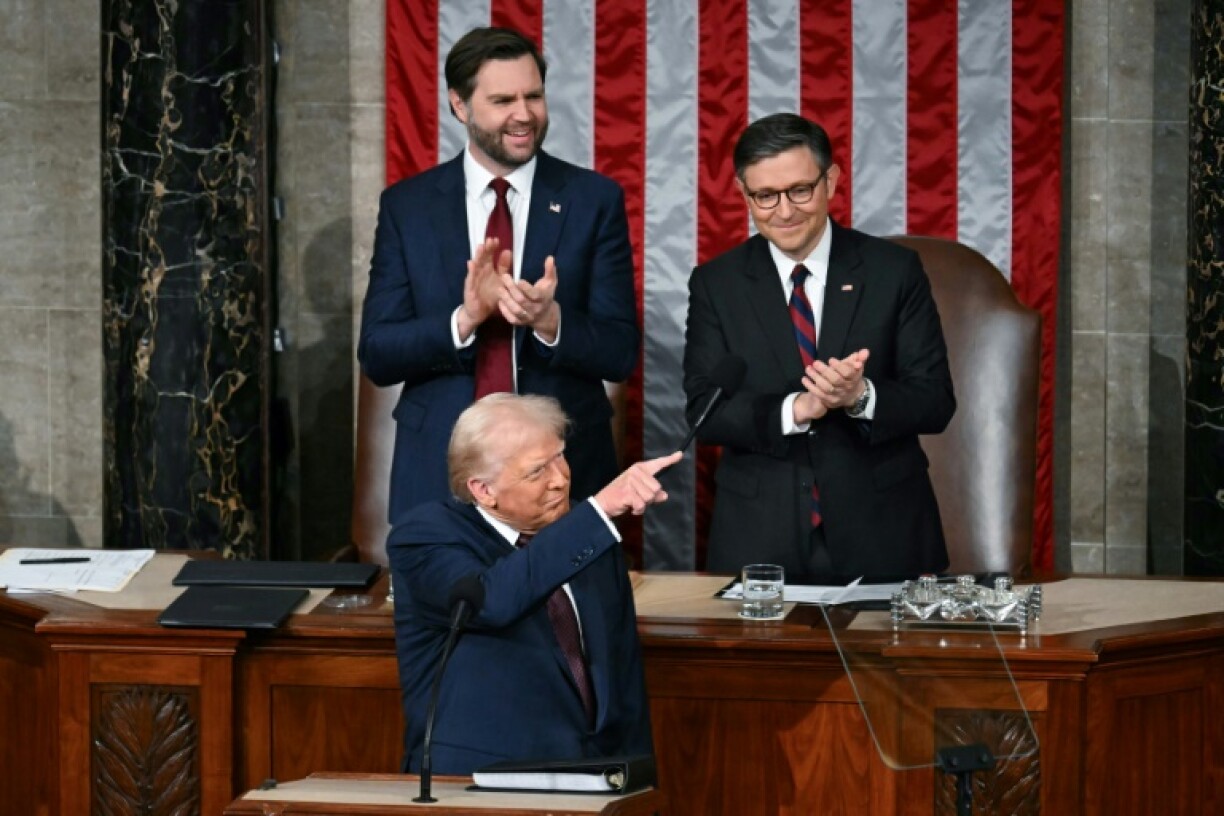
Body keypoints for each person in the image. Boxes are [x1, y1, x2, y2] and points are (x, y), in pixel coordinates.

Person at [358, 27, 638, 524]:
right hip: (439, 468)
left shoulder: (592, 200)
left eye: (533, 96)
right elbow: (379, 354)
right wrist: (465, 318)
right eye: (503, 99)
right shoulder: (408, 207)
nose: (524, 114)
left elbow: (618, 352)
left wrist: (550, 320)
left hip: (563, 466)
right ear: (460, 105)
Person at [683, 113, 955, 584]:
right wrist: (797, 407)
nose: (784, 211)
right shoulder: (717, 283)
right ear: (743, 193)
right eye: (764, 196)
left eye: (800, 190)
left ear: (831, 179)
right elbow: (704, 411)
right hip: (758, 539)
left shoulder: (894, 272)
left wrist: (860, 396)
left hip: (882, 534)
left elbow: (935, 401)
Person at [389, 393, 681, 774]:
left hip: (595, 776)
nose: (560, 480)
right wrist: (598, 513)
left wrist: (640, 779)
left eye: (559, 456)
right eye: (536, 471)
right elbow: (491, 600)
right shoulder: (426, 535)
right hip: (480, 781)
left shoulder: (586, 533)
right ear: (483, 490)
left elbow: (622, 671)